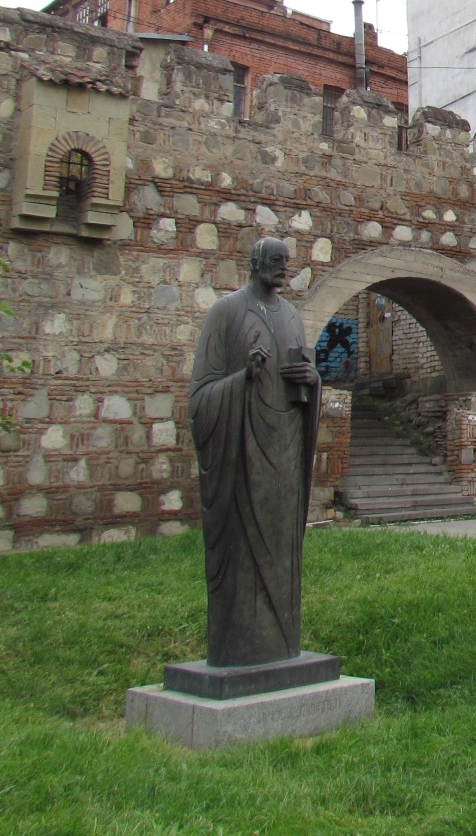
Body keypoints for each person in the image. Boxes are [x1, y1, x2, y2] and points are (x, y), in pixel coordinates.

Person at [188, 237, 322, 667]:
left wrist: (312, 380)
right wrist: (243, 378)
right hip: (241, 453)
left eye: (287, 262)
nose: (283, 268)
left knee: (283, 553)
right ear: (255, 263)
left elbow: (305, 385)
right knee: (242, 555)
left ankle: (282, 645)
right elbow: (200, 398)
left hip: (286, 453)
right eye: (276, 261)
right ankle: (240, 648)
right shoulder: (226, 313)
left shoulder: (292, 317)